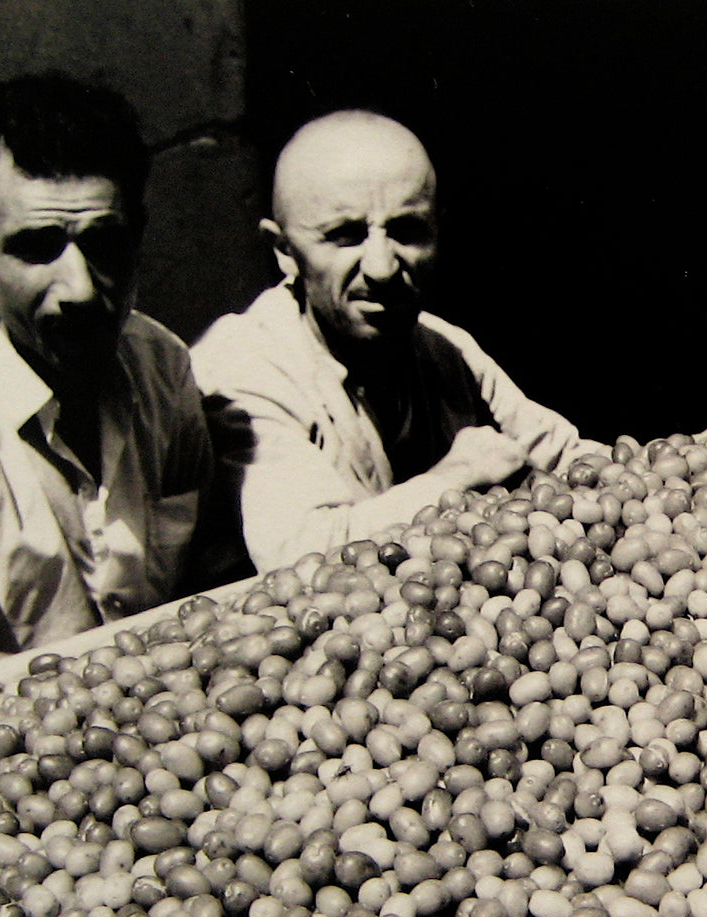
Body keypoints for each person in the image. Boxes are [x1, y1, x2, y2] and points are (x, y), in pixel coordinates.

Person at [0, 73, 213, 687]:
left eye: (104, 244)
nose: (81, 288)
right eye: (39, 247)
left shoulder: (162, 367)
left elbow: (213, 579)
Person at [192, 110, 608, 573]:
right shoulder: (244, 366)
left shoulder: (442, 347)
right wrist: (457, 478)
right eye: (345, 236)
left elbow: (577, 462)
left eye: (407, 231)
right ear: (283, 251)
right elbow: (301, 559)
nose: (382, 267)